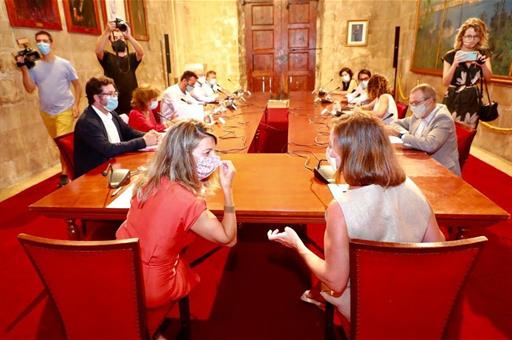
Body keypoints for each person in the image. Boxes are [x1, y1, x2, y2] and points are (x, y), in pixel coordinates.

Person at [268, 112, 445, 320]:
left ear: (351, 155)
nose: (329, 153)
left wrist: (299, 246)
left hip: (368, 303)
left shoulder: (340, 209)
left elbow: (336, 281)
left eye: (333, 147)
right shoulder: (411, 187)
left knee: (328, 283)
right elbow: (438, 246)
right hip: (412, 296)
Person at [116, 120, 237, 309]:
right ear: (184, 156)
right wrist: (228, 190)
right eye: (207, 152)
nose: (216, 158)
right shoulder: (187, 202)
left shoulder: (147, 181)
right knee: (189, 266)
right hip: (151, 286)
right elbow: (229, 239)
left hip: (122, 268)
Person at [16, 30, 82, 185]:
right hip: (46, 111)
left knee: (63, 142)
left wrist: (76, 105)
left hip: (64, 109)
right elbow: (30, 88)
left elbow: (77, 86)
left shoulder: (64, 64)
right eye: (38, 41)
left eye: (45, 40)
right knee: (59, 143)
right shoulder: (34, 67)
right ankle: (71, 168)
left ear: (51, 43)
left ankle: (66, 174)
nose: (41, 43)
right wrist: (24, 70)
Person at [74, 76, 159, 177]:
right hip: (97, 173)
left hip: (117, 164)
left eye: (115, 93)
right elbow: (108, 149)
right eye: (110, 94)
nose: (114, 97)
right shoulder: (87, 122)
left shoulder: (111, 113)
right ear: (96, 98)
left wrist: (150, 135)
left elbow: (129, 132)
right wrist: (143, 141)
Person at [388, 84, 461, 176]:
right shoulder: (419, 114)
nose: (412, 107)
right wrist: (407, 135)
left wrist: (401, 135)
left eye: (415, 103)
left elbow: (430, 145)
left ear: (429, 101)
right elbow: (395, 124)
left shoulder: (443, 118)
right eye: (411, 103)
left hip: (441, 170)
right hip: (420, 163)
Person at [442, 17, 492, 128]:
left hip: (472, 101)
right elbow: (445, 82)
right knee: (447, 132)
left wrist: (482, 65)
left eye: (476, 36)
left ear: (480, 38)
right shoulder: (450, 55)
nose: (472, 39)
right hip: (453, 99)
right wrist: (455, 64)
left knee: (467, 135)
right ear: (462, 36)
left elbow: (488, 78)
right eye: (469, 36)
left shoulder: (483, 54)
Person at [95, 21, 144, 114]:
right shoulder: (107, 57)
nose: (119, 40)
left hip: (132, 101)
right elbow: (98, 51)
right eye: (116, 38)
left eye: (121, 37)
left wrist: (129, 36)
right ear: (111, 42)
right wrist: (107, 32)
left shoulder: (132, 57)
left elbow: (141, 53)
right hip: (114, 102)